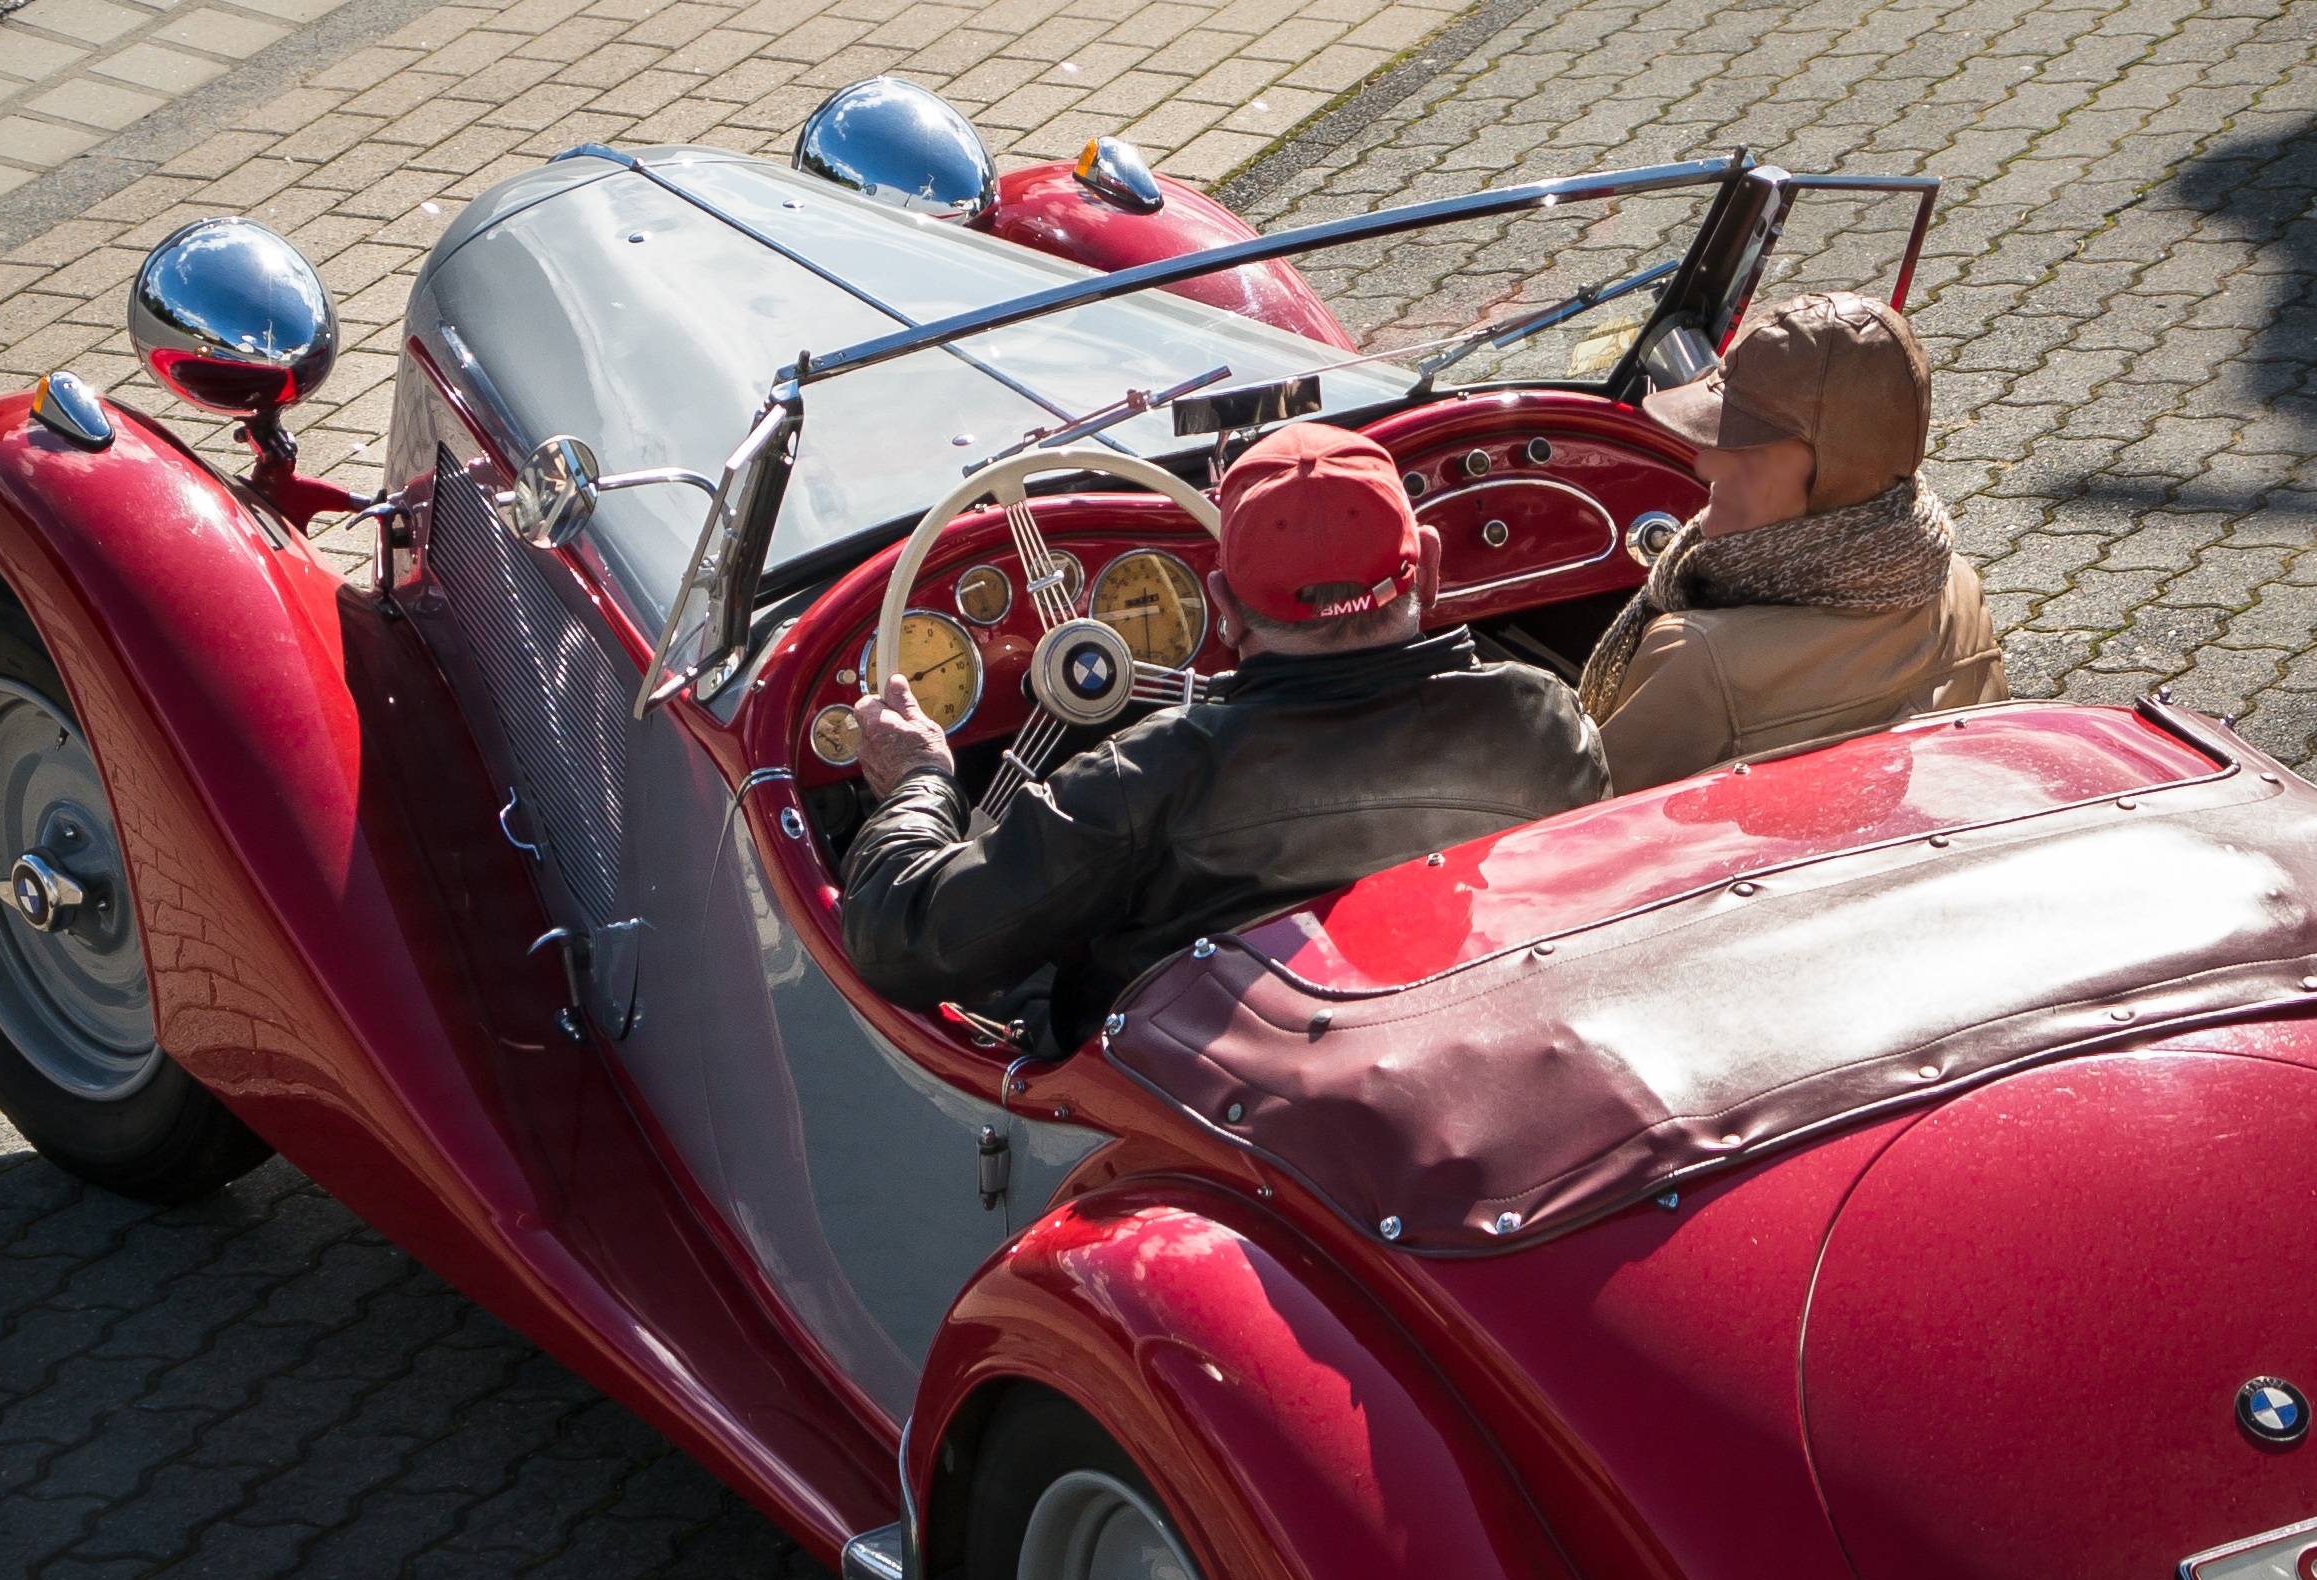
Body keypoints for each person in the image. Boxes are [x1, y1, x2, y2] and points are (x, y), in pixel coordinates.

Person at [839, 423, 1609, 1051]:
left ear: (1223, 608)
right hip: (1452, 1034)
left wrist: (918, 779)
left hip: (1175, 1090)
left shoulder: (1145, 776)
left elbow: (901, 937)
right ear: (1430, 569)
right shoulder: (1539, 719)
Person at [1580, 291, 2007, 795]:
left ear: (1826, 474)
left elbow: (1585, 822)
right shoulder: (1955, 584)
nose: (1710, 465)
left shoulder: (1696, 657)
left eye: (1746, 450)